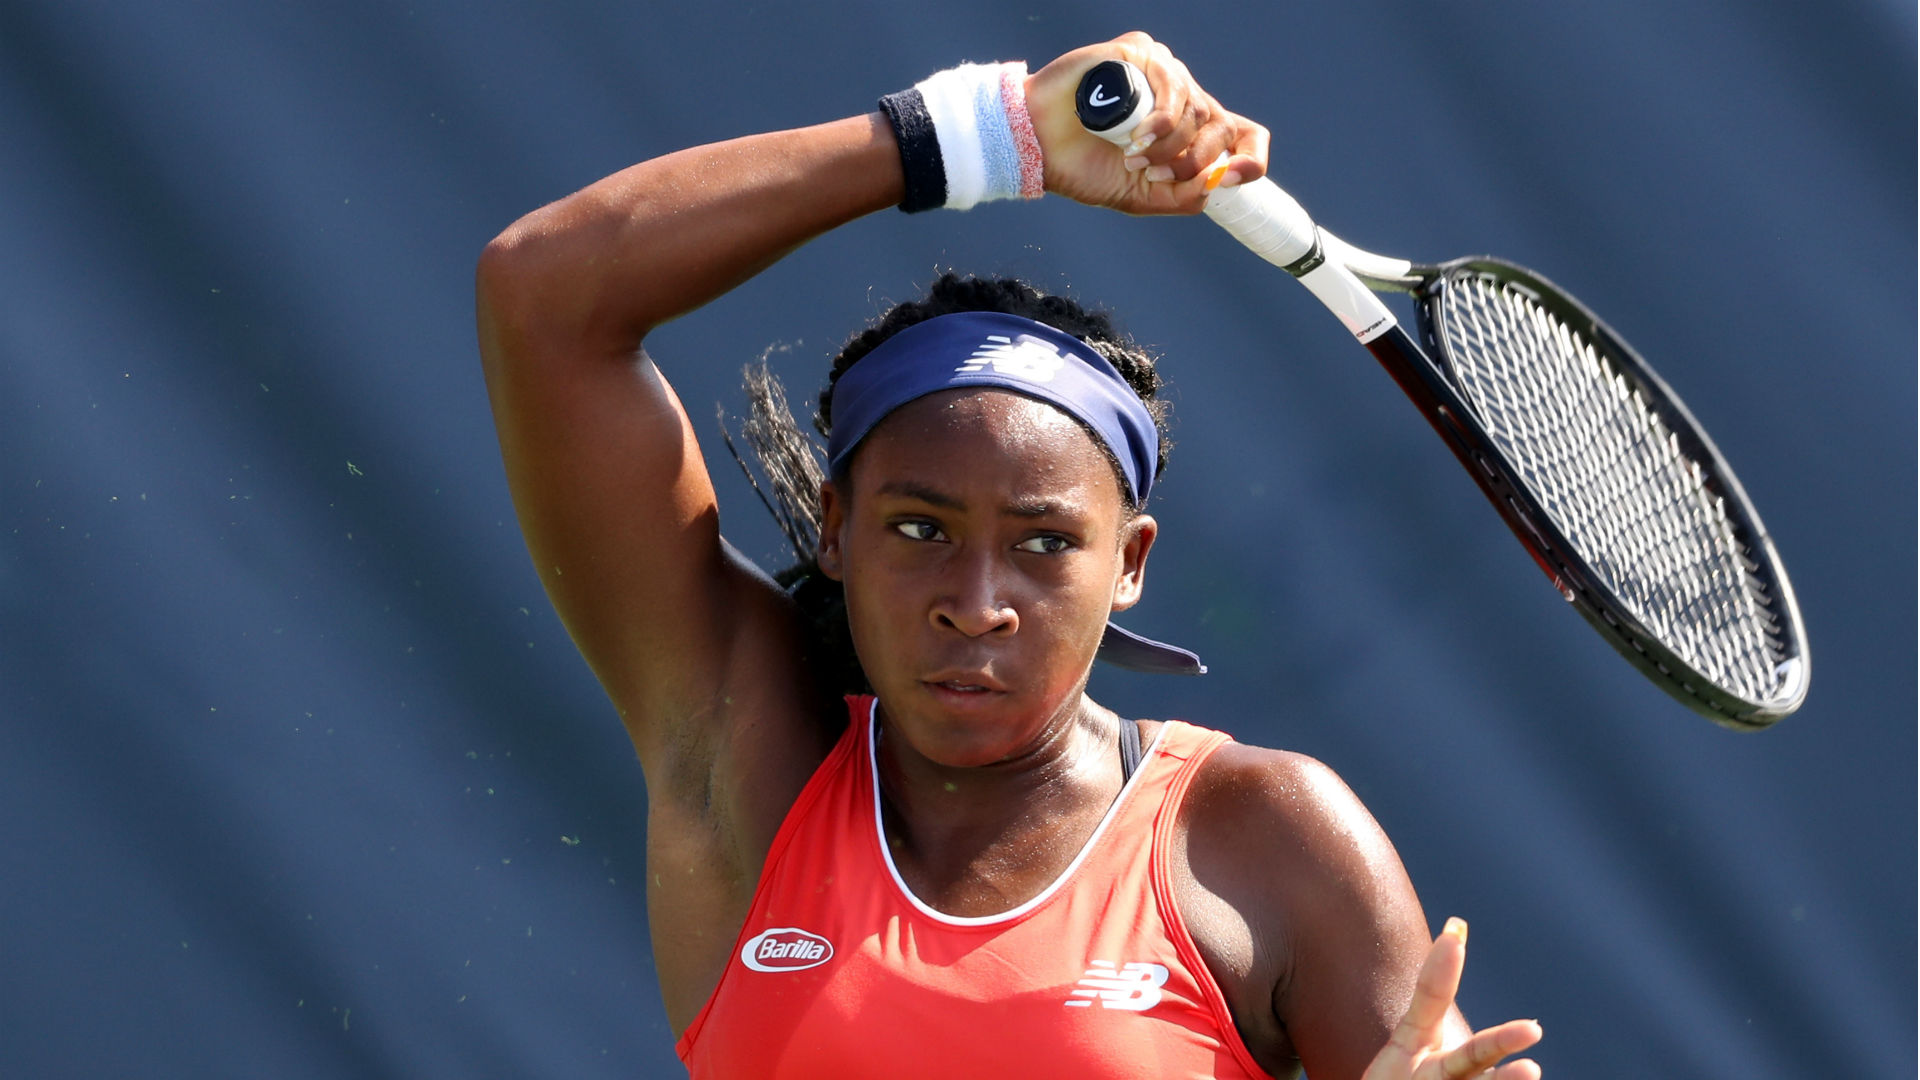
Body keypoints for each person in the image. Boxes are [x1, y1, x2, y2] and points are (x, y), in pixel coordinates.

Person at [475, 30, 1542, 1080]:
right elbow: (546, 295)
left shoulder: (1268, 838)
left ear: (1129, 561)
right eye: (920, 528)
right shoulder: (754, 770)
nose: (977, 603)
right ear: (837, 528)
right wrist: (997, 134)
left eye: (1042, 542)